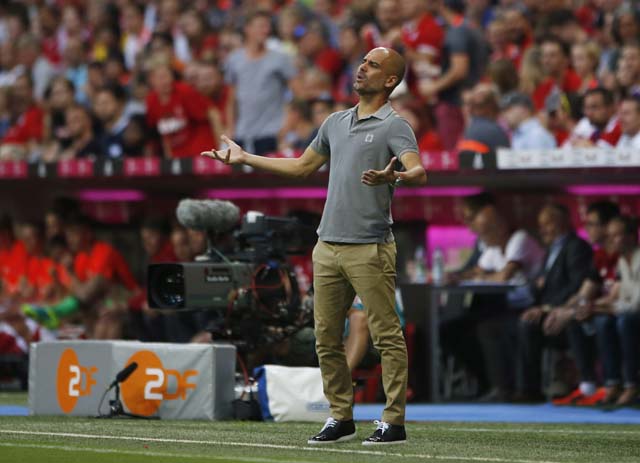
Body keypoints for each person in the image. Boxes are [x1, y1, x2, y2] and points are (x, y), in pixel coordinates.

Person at [202, 47, 426, 445]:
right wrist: (245, 159)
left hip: (370, 246)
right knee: (325, 337)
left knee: (386, 334)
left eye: (373, 65)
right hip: (327, 245)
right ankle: (340, 417)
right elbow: (302, 167)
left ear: (390, 80)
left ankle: (394, 421)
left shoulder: (395, 125)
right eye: (363, 62)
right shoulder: (335, 123)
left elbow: (419, 171)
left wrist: (396, 177)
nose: (362, 68)